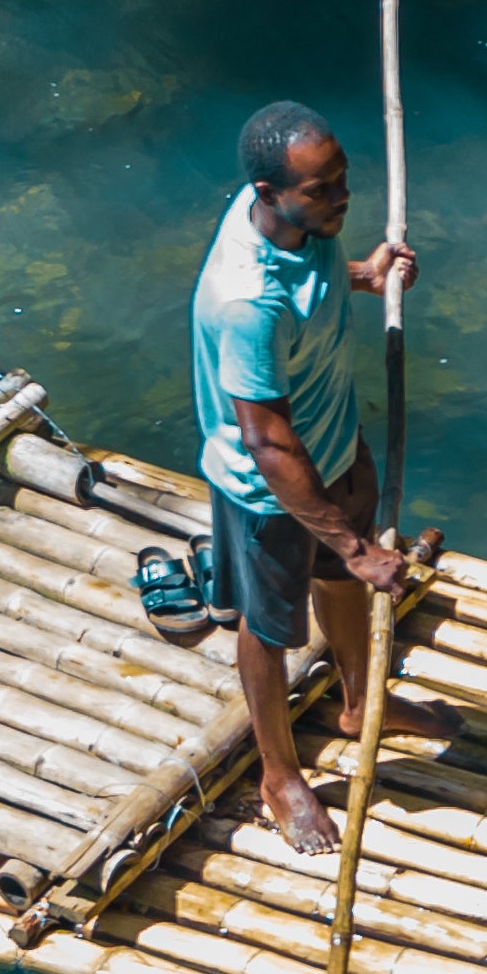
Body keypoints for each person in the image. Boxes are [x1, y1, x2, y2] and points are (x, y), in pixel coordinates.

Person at [189, 100, 411, 855]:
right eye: (322, 190)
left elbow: (308, 283)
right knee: (271, 624)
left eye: (342, 180)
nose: (341, 198)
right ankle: (279, 777)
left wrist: (362, 274)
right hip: (270, 488)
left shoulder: (298, 220)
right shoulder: (246, 301)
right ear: (266, 193)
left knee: (342, 586)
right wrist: (355, 545)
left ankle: (358, 705)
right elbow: (268, 443)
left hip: (336, 438)